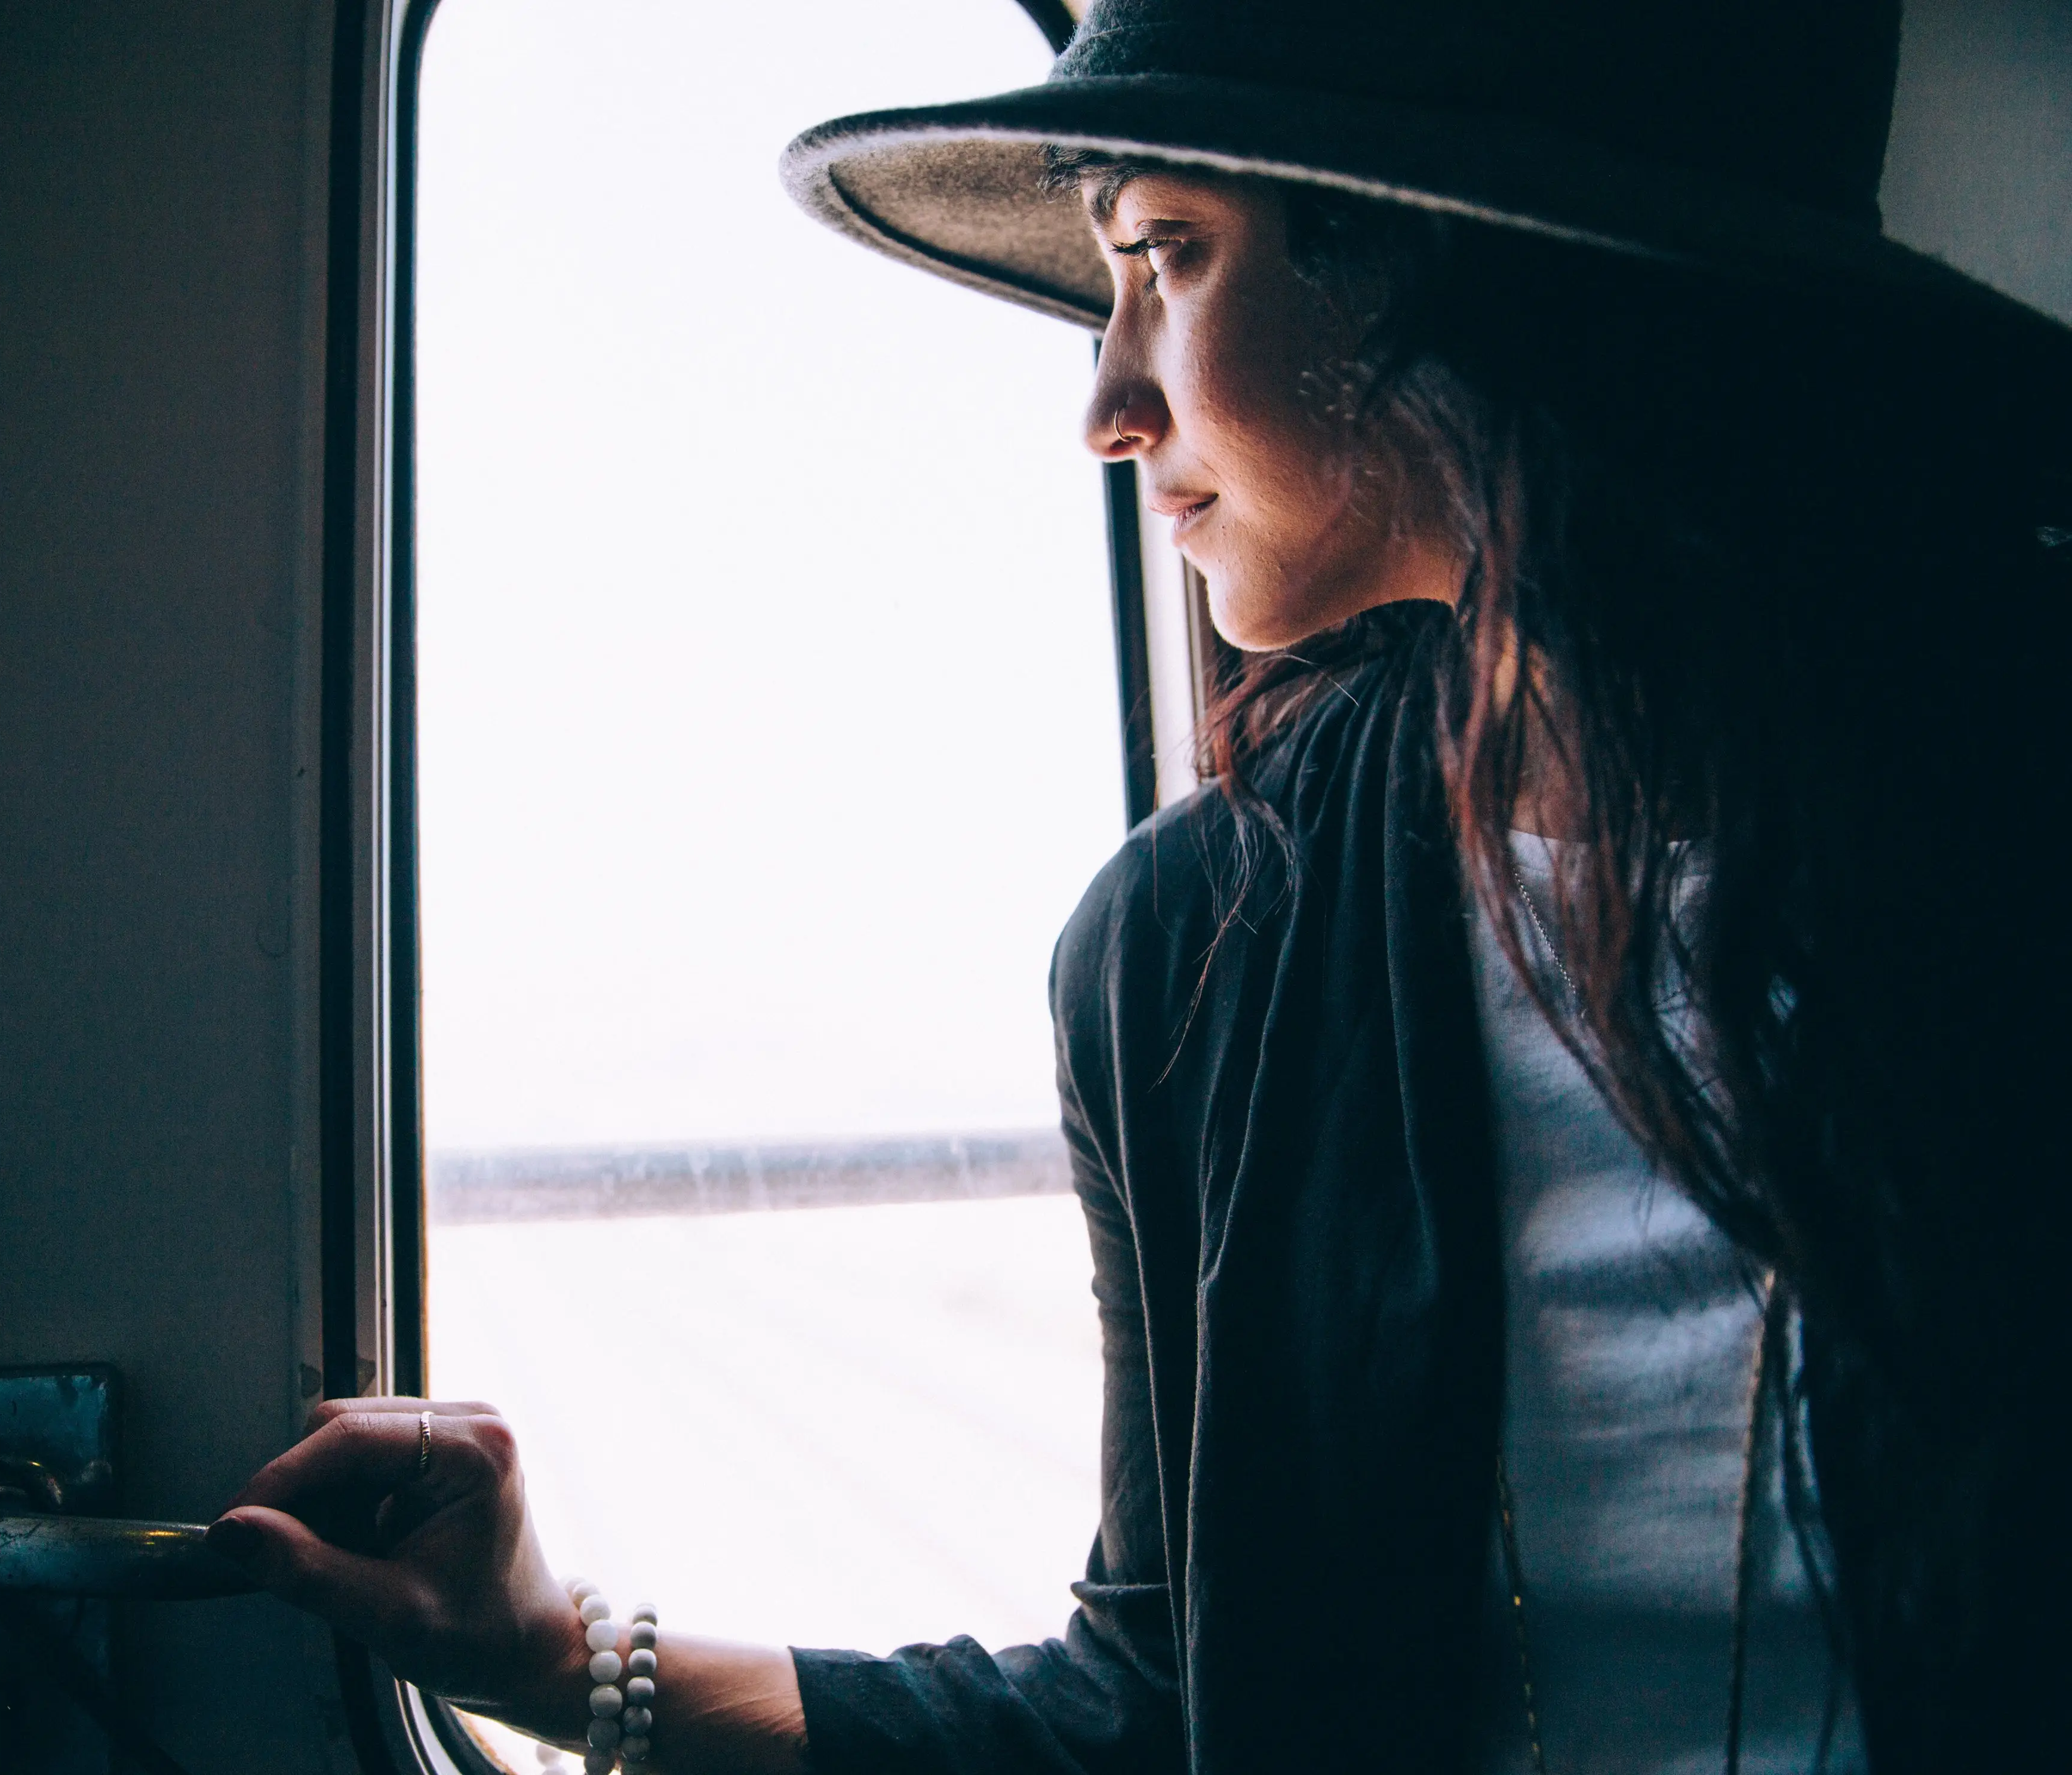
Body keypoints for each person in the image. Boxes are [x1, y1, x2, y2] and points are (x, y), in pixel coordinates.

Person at [207, 2, 2071, 1770]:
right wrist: (549, 1654)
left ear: (1457, 260)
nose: (1106, 399)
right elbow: (1154, 1707)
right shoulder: (1199, 951)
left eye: (1164, 256)